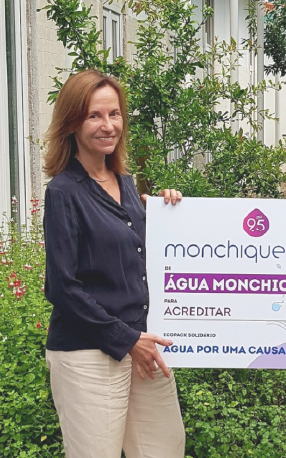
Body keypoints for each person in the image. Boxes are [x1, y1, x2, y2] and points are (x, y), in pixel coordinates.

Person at [43, 69, 185, 458]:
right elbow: (62, 288)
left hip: (144, 345)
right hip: (88, 354)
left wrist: (168, 215)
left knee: (164, 449)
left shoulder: (125, 183)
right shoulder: (63, 193)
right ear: (72, 122)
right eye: (94, 115)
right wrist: (126, 340)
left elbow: (138, 254)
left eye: (114, 114)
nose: (108, 126)